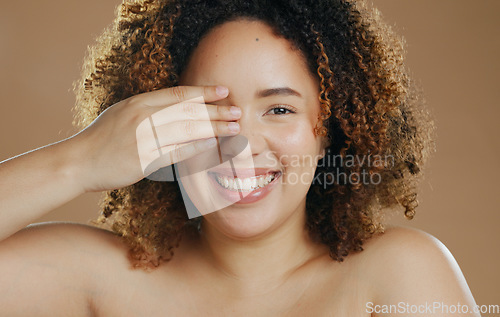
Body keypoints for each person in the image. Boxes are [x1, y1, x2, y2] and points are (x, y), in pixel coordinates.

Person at [0, 0, 480, 316]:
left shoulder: (397, 272)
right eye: (210, 112)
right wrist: (82, 159)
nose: (241, 145)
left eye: (279, 109)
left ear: (332, 129)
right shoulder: (102, 276)